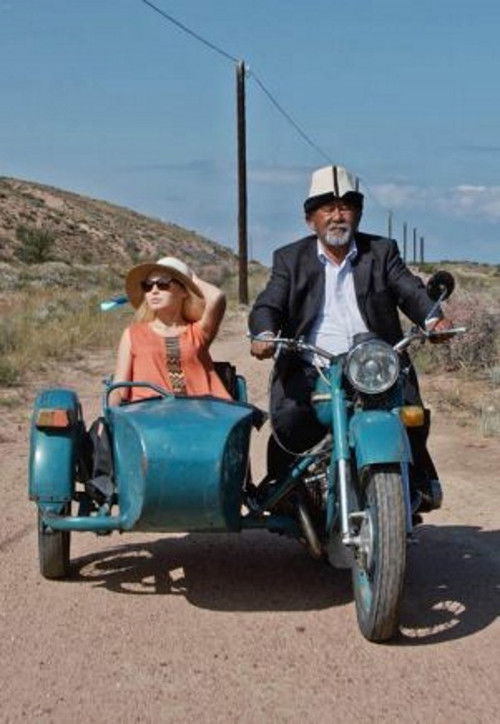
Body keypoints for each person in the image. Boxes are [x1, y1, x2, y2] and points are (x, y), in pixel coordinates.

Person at [248, 164, 452, 510]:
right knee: (291, 420)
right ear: (311, 219)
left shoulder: (382, 251)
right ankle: (286, 489)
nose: (337, 216)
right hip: (314, 365)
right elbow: (269, 302)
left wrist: (433, 319)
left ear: (357, 214)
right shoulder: (290, 259)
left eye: (345, 207)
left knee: (411, 414)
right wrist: (264, 332)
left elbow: (409, 290)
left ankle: (417, 480)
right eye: (328, 208)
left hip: (374, 364)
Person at [85, 255, 231, 503]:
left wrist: (190, 277)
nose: (153, 290)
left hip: (199, 418)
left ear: (183, 291)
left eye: (163, 284)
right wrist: (109, 415)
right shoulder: (132, 334)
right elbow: (119, 385)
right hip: (146, 419)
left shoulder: (197, 332)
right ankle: (107, 487)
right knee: (101, 430)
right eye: (148, 285)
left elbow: (216, 297)